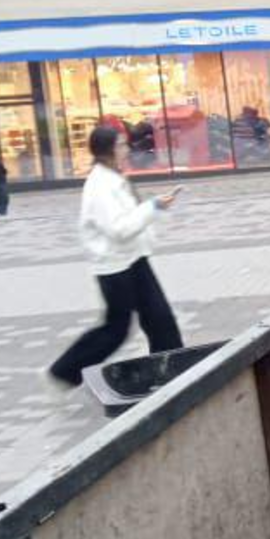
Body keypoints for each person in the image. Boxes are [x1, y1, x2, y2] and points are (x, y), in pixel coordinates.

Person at [46, 125, 185, 388]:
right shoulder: (100, 185)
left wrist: (153, 207)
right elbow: (119, 229)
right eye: (121, 144)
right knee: (115, 330)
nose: (127, 149)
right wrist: (152, 207)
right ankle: (62, 373)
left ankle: (173, 368)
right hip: (114, 267)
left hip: (133, 258)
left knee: (160, 317)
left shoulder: (113, 177)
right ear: (108, 151)